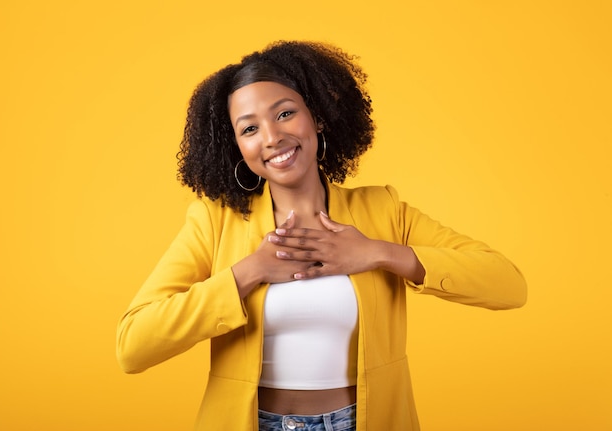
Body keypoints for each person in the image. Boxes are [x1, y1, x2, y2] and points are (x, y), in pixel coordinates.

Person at [116, 40, 527, 430]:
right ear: (236, 147)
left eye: (284, 113)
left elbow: (508, 285)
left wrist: (378, 253)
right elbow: (133, 346)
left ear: (318, 115)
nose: (272, 138)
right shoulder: (214, 222)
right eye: (249, 129)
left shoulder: (382, 211)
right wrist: (248, 272)